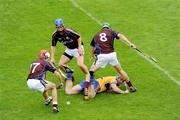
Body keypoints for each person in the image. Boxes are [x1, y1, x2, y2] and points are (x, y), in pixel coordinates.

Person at [89, 22, 137, 92]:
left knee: (91, 71)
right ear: (108, 27)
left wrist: (92, 54)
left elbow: (94, 47)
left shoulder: (96, 35)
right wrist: (130, 43)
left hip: (102, 56)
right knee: (120, 71)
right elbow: (121, 36)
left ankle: (91, 86)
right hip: (112, 55)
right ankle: (131, 86)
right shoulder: (111, 32)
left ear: (102, 28)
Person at [50, 18, 90, 99]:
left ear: (63, 26)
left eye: (61, 27)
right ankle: (70, 74)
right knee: (60, 64)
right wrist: (52, 58)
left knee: (80, 64)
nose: (60, 29)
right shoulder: (55, 35)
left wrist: (79, 48)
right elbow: (53, 46)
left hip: (77, 48)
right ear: (56, 27)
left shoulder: (69, 31)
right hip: (69, 49)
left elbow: (79, 37)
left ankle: (88, 74)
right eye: (58, 27)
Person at [64, 73, 134, 100]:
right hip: (95, 84)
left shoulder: (115, 81)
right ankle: (91, 79)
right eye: (121, 80)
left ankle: (69, 76)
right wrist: (124, 92)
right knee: (90, 97)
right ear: (118, 77)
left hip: (90, 83)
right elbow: (115, 89)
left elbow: (111, 88)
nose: (121, 82)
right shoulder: (114, 79)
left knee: (68, 92)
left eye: (122, 81)